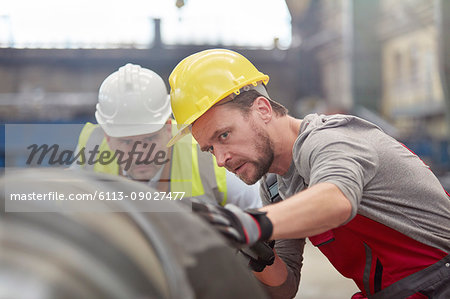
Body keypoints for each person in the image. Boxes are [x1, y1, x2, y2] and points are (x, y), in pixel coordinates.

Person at [167, 49, 450, 298]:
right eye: (209, 149)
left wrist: (245, 223)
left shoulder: (330, 139)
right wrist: (260, 256)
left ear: (262, 109)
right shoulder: (275, 184)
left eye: (224, 135)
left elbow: (336, 200)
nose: (220, 159)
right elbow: (286, 287)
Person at [71, 63, 261, 209]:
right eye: (127, 142)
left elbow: (264, 215)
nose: (140, 153)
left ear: (169, 128)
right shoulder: (91, 150)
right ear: (108, 138)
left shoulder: (208, 156)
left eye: (150, 139)